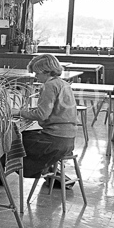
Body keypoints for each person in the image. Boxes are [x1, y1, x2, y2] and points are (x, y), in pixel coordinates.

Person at [13, 54, 77, 187]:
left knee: (13, 142)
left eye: (37, 73)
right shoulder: (63, 84)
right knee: (25, 136)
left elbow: (42, 115)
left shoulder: (49, 85)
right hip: (68, 140)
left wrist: (19, 112)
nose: (35, 76)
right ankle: (54, 174)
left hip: (55, 141)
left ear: (47, 71)